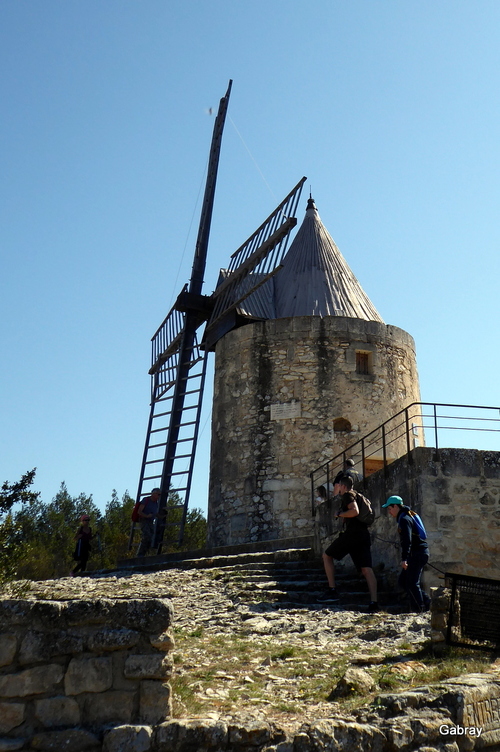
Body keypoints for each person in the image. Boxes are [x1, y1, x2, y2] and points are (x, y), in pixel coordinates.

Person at [320, 475, 379, 612]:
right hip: (363, 535)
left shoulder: (347, 495)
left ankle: (332, 590)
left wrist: (339, 514)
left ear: (343, 486)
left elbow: (354, 511)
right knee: (366, 569)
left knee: (327, 556)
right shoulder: (358, 495)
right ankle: (374, 602)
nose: (338, 488)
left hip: (352, 534)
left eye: (339, 486)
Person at [382, 495, 430, 613]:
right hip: (419, 553)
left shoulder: (404, 520)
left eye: (390, 508)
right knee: (404, 581)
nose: (389, 512)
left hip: (416, 554)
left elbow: (407, 540)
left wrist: (404, 559)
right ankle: (427, 602)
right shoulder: (407, 516)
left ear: (396, 506)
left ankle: (420, 609)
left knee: (412, 583)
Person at [136, 487, 161, 557]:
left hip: (150, 521)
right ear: (153, 494)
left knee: (151, 538)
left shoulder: (156, 503)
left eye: (160, 495)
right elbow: (139, 511)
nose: (159, 496)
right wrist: (146, 516)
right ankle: (140, 554)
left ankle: (144, 553)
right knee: (147, 536)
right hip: (144, 520)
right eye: (158, 494)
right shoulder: (146, 500)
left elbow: (154, 513)